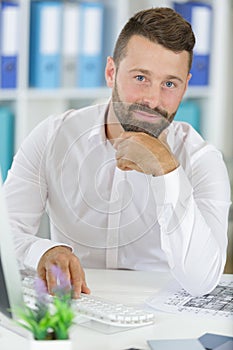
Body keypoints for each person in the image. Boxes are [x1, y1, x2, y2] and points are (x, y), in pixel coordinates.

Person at [3, 7, 231, 298]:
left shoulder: (202, 160)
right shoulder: (52, 137)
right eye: (140, 78)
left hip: (159, 317)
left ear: (185, 86)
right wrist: (44, 250)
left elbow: (202, 281)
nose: (152, 99)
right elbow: (5, 236)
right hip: (77, 308)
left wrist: (166, 171)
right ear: (111, 72)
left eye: (169, 84)